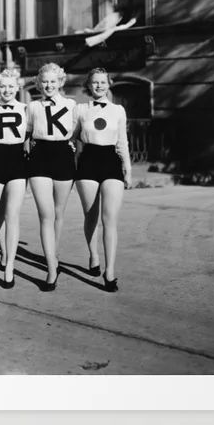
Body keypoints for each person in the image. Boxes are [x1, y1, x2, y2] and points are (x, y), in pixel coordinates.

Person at [74, 67, 132, 292]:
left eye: (103, 82)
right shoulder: (80, 109)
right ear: (89, 85)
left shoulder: (118, 110)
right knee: (91, 216)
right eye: (94, 82)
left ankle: (110, 272)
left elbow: (123, 142)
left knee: (110, 220)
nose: (99, 86)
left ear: (109, 84)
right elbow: (71, 135)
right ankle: (94, 255)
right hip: (87, 162)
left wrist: (127, 168)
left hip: (111, 162)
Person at [26, 63, 78, 291]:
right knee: (45, 214)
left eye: (52, 81)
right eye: (44, 81)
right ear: (39, 83)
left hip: (63, 157)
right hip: (40, 158)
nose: (48, 85)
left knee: (58, 212)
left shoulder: (71, 105)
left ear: (60, 82)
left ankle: (54, 254)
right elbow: (26, 133)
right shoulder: (33, 106)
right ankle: (51, 269)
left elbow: (78, 130)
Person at [0, 68, 28, 289]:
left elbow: (35, 132)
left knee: (12, 214)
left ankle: (10, 265)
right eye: (3, 86)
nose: (7, 90)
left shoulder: (26, 109)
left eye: (11, 86)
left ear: (17, 88)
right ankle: (3, 251)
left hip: (17, 160)